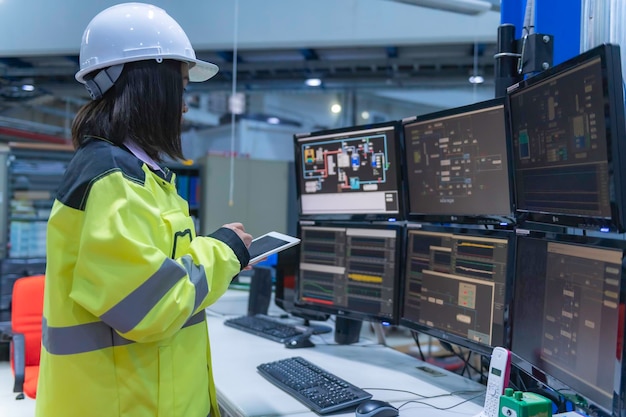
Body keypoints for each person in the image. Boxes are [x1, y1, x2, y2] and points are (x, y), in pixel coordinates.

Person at [35, 3, 252, 417]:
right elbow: (149, 307)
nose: (184, 106)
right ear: (150, 87)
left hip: (150, 396)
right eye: (182, 89)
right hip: (120, 404)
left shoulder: (140, 175)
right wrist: (225, 252)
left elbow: (154, 273)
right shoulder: (110, 178)